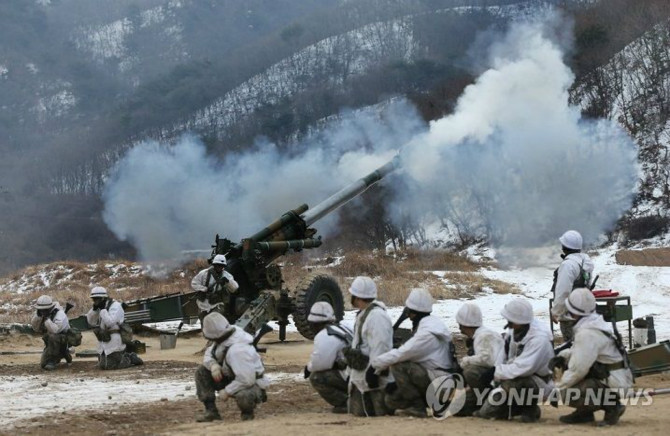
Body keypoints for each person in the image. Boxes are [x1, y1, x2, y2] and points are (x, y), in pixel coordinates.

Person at [552, 288, 633, 426]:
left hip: (613, 382)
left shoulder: (588, 333)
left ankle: (612, 407)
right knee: (568, 365)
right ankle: (585, 413)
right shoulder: (595, 324)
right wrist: (563, 356)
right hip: (615, 377)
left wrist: (558, 390)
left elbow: (578, 369)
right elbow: (583, 352)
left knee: (567, 394)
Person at [371, 288, 455, 418]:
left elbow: (402, 354)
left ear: (413, 313)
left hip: (439, 385)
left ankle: (418, 408)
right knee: (390, 401)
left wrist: (374, 364)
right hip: (440, 381)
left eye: (409, 312)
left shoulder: (426, 335)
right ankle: (422, 404)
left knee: (398, 365)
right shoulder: (435, 324)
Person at [475, 298, 554, 423]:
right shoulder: (515, 331)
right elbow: (504, 356)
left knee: (519, 383)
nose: (508, 322)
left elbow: (523, 368)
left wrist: (496, 373)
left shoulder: (539, 339)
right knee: (487, 412)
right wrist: (494, 377)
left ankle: (529, 408)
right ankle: (517, 408)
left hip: (536, 381)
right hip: (512, 375)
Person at [195, 312, 269, 422]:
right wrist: (213, 365)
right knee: (202, 372)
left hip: (252, 383)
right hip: (231, 376)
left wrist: (227, 391)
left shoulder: (238, 350)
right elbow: (209, 353)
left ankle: (247, 415)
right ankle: (211, 411)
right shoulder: (223, 338)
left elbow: (247, 380)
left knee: (244, 395)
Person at [344, 276, 394, 417]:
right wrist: (349, 373)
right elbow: (358, 345)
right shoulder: (364, 314)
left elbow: (381, 347)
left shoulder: (377, 316)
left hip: (373, 381)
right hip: (360, 378)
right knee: (359, 419)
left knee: (378, 420)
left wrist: (374, 372)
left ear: (357, 296)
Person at [453, 302, 504, 416]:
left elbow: (487, 359)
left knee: (470, 371)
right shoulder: (482, 335)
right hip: (492, 379)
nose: (459, 328)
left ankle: (487, 400)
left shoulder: (484, 336)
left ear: (464, 325)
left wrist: (464, 362)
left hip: (496, 380)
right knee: (457, 409)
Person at [303, 301, 353, 414]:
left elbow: (320, 364)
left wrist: (308, 368)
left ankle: (345, 403)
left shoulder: (325, 335)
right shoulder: (344, 327)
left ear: (314, 323)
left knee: (316, 377)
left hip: (351, 376)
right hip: (357, 372)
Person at [551, 230, 594, 342]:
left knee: (573, 348)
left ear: (564, 247)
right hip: (584, 313)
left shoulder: (568, 265)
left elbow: (563, 291)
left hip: (570, 316)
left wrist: (556, 312)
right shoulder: (584, 261)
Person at [86, 286, 143, 370]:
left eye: (97, 298)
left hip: (114, 339)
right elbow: (91, 322)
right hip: (104, 339)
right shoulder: (100, 307)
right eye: (94, 299)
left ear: (103, 298)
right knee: (103, 365)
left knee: (108, 366)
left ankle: (129, 358)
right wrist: (94, 310)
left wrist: (102, 310)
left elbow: (110, 323)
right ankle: (123, 357)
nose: (95, 301)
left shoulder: (115, 306)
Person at [191, 254, 239, 322]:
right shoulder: (204, 273)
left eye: (222, 266)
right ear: (214, 265)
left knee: (215, 321)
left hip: (217, 303)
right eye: (218, 265)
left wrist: (228, 282)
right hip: (203, 304)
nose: (220, 267)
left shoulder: (226, 275)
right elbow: (194, 283)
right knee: (204, 323)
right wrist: (204, 289)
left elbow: (235, 288)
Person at [30, 295, 71, 370]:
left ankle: (55, 358)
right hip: (51, 342)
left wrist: (47, 319)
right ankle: (62, 354)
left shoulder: (60, 314)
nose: (42, 311)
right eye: (41, 310)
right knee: (43, 364)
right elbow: (35, 328)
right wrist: (38, 317)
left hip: (64, 339)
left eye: (45, 310)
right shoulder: (42, 314)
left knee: (53, 337)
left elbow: (55, 330)